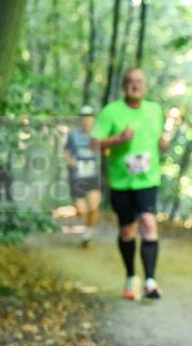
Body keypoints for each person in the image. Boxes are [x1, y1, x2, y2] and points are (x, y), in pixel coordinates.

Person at [91, 68, 170, 300]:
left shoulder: (155, 110)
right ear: (123, 86)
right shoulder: (110, 112)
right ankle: (130, 276)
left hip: (148, 180)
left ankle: (150, 281)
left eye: (139, 82)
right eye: (130, 82)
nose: (135, 86)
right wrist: (118, 139)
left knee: (147, 222)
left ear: (145, 86)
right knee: (127, 231)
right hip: (121, 182)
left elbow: (157, 137)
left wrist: (163, 142)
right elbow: (94, 144)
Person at [64, 105, 102, 247]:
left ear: (93, 119)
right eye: (84, 117)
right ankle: (83, 224)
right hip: (77, 178)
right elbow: (66, 152)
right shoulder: (73, 135)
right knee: (81, 211)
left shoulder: (98, 135)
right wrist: (70, 160)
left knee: (94, 208)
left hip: (92, 177)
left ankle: (87, 235)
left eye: (89, 117)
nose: (86, 120)